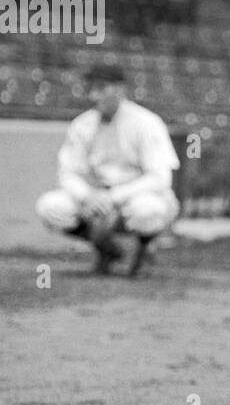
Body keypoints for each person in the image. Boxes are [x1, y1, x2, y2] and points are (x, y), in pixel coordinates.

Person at [35, 62, 180, 275]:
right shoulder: (82, 124)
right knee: (50, 207)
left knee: (148, 210)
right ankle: (109, 249)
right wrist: (88, 196)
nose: (94, 95)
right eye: (91, 89)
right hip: (97, 199)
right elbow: (67, 173)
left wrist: (114, 197)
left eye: (101, 88)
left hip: (134, 197)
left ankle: (142, 248)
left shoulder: (146, 122)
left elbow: (160, 178)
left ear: (120, 89)